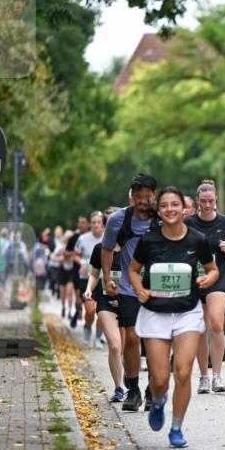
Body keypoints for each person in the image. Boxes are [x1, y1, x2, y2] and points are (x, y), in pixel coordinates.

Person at [129, 186, 218, 448]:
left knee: (182, 372)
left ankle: (176, 428)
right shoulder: (149, 241)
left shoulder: (197, 239)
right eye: (165, 205)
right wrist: (139, 289)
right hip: (155, 313)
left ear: (184, 209)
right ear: (159, 209)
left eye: (175, 205)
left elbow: (213, 270)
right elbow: (134, 271)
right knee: (159, 379)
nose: (170, 209)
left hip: (187, 312)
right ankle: (158, 401)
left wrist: (207, 278)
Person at [101, 173, 159, 412]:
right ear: (132, 196)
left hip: (158, 289)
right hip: (127, 287)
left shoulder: (163, 218)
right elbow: (105, 249)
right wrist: (106, 278)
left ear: (154, 196)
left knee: (155, 341)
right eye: (139, 197)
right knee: (133, 337)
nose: (143, 202)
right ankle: (133, 389)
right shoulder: (117, 220)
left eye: (148, 197)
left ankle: (152, 389)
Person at [185, 180, 225, 394]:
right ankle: (204, 377)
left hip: (219, 277)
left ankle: (217, 376)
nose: (207, 205)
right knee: (201, 328)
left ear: (215, 200)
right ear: (198, 201)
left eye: (211, 201)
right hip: (196, 279)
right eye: (203, 201)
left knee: (216, 323)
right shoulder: (188, 222)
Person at [84, 238, 125, 402]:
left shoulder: (131, 245)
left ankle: (131, 379)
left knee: (126, 348)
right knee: (115, 346)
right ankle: (119, 387)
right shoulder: (99, 248)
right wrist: (88, 289)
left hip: (127, 301)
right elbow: (94, 273)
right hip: (105, 301)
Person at [75, 212, 105, 345]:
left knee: (103, 312)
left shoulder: (108, 238)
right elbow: (76, 255)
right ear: (90, 224)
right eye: (94, 222)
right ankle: (87, 327)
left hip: (103, 279)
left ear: (103, 224)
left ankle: (98, 337)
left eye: (99, 222)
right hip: (85, 278)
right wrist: (81, 262)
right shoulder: (83, 239)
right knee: (91, 310)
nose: (96, 225)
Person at [66, 216, 90, 327]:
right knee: (78, 300)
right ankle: (77, 311)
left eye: (83, 223)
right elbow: (65, 253)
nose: (80, 225)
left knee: (89, 302)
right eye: (79, 223)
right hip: (77, 272)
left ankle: (88, 319)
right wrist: (76, 254)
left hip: (92, 273)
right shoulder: (74, 238)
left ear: (88, 224)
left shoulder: (92, 237)